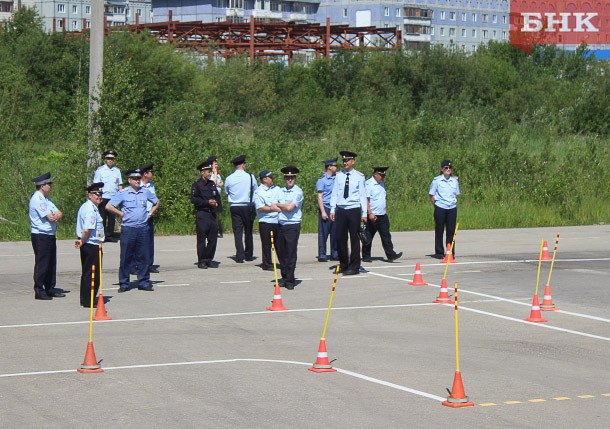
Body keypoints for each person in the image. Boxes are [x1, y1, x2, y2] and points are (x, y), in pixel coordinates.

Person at [106, 168, 160, 292]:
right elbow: (109, 206)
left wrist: (150, 213)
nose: (137, 180)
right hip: (128, 229)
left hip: (143, 228)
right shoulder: (123, 193)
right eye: (135, 179)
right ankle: (124, 283)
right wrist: (120, 213)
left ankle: (144, 282)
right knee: (126, 256)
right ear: (129, 180)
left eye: (138, 178)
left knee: (144, 256)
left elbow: (157, 202)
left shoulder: (145, 192)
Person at [330, 151, 367, 276]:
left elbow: (362, 195)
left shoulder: (359, 176)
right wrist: (332, 209)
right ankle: (344, 264)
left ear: (353, 161)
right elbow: (335, 193)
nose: (345, 163)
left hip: (354, 209)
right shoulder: (339, 176)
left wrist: (364, 213)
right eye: (344, 161)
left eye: (347, 160)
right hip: (341, 209)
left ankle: (354, 266)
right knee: (340, 238)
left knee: (354, 238)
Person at [29, 172, 65, 300]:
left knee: (51, 262)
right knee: (42, 263)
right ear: (42, 186)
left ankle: (50, 288)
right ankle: (39, 289)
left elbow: (58, 213)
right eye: (49, 184)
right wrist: (54, 215)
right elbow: (50, 217)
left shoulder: (47, 199)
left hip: (49, 234)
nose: (50, 186)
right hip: (40, 235)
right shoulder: (37, 199)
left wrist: (56, 215)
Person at [361, 167, 403, 263]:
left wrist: (385, 210)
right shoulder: (369, 184)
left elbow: (381, 199)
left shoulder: (381, 184)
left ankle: (391, 254)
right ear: (375, 174)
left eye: (384, 176)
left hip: (382, 215)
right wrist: (369, 213)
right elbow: (366, 200)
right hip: (373, 215)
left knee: (386, 236)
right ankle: (366, 256)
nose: (383, 178)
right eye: (381, 175)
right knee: (369, 236)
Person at [75, 182, 105, 308]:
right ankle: (88, 300)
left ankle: (86, 298)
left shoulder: (88, 207)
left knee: (88, 272)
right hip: (91, 245)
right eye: (96, 194)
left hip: (90, 243)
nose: (99, 196)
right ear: (89, 196)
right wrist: (82, 241)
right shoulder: (90, 210)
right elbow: (87, 229)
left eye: (100, 194)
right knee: (93, 274)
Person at [274, 166, 304, 290]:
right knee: (281, 252)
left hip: (292, 224)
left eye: (292, 178)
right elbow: (272, 206)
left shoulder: (298, 192)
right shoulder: (279, 191)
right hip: (281, 224)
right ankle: (284, 277)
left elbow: (290, 208)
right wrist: (283, 206)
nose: (290, 180)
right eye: (288, 178)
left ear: (295, 178)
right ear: (284, 178)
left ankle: (290, 280)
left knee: (290, 253)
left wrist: (280, 205)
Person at [224, 155, 257, 263]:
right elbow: (255, 190)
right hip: (247, 206)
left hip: (235, 206)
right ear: (243, 165)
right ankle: (248, 254)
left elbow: (226, 191)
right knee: (248, 231)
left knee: (237, 232)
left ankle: (239, 255)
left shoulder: (229, 178)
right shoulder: (250, 177)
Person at [190, 157, 220, 269]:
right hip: (202, 214)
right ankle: (202, 260)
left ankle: (209, 259)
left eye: (211, 172)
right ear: (202, 172)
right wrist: (207, 202)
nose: (210, 174)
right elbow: (194, 199)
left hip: (212, 214)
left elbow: (217, 197)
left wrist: (217, 206)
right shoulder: (197, 185)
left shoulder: (212, 184)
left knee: (213, 239)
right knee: (202, 239)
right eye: (208, 172)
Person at [429, 159, 460, 259]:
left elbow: (456, 194)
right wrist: (437, 206)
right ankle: (439, 252)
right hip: (440, 208)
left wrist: (451, 203)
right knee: (439, 230)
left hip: (452, 208)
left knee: (451, 231)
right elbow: (431, 195)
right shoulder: (437, 180)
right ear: (442, 169)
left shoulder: (454, 181)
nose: (448, 169)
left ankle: (450, 251)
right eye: (446, 168)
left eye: (450, 168)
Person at [254, 170, 281, 271]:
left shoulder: (277, 189)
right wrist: (271, 208)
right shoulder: (259, 192)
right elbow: (260, 207)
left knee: (279, 243)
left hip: (277, 220)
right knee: (266, 244)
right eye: (270, 177)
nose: (272, 179)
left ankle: (282, 261)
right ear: (264, 179)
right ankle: (267, 263)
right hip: (266, 221)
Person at [93, 150, 123, 242]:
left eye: (112, 159)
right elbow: (96, 185)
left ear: (114, 160)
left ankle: (109, 235)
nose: (110, 160)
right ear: (105, 160)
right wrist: (97, 197)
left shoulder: (117, 171)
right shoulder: (100, 170)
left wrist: (122, 197)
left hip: (113, 197)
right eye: (108, 158)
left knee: (111, 218)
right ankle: (101, 236)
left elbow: (120, 185)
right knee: (102, 217)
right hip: (103, 197)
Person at [316, 157, 338, 262]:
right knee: (323, 233)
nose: (336, 167)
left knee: (335, 232)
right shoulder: (322, 180)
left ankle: (335, 254)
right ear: (329, 167)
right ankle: (322, 254)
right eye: (335, 165)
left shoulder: (337, 178)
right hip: (326, 207)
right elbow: (320, 197)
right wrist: (323, 212)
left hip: (335, 208)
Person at [139, 162, 158, 273]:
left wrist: (151, 213)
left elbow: (154, 200)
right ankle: (137, 265)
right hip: (140, 216)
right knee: (139, 241)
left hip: (149, 215)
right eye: (151, 172)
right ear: (145, 174)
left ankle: (149, 264)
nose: (153, 174)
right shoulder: (138, 184)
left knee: (149, 241)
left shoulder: (151, 186)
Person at [210, 156, 224, 238]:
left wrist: (218, 184)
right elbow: (213, 183)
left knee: (217, 213)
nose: (216, 163)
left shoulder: (217, 173)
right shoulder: (211, 173)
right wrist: (215, 173)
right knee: (213, 213)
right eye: (215, 162)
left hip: (217, 195)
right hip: (212, 195)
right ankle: (214, 230)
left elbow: (221, 182)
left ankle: (218, 229)